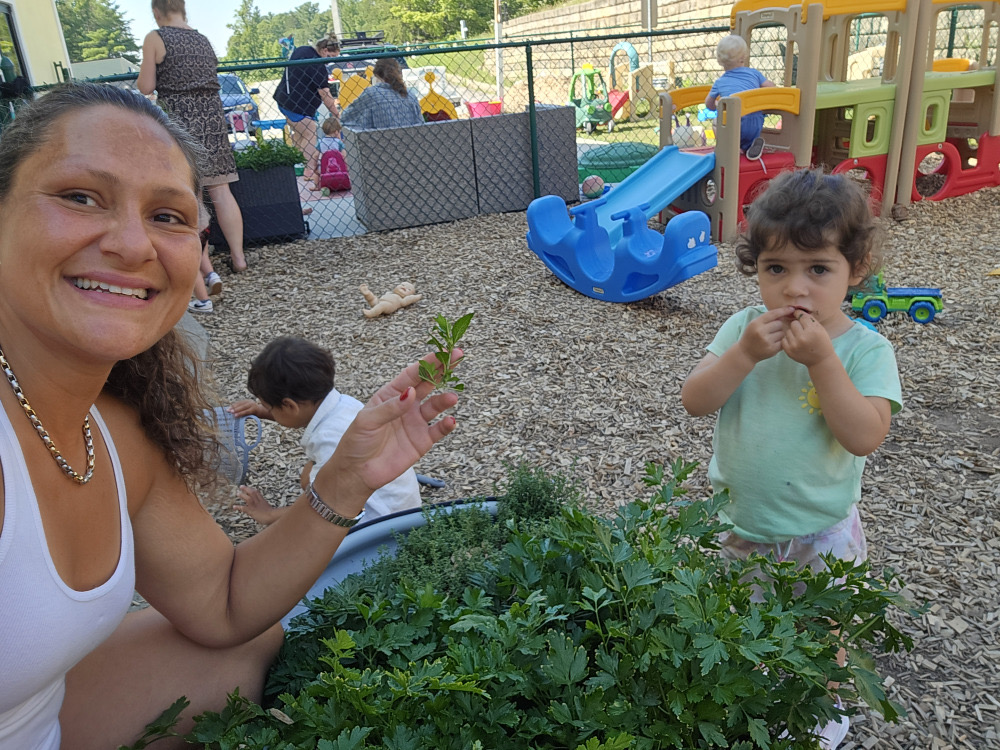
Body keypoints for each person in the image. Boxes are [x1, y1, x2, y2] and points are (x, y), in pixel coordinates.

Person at [0, 82, 460, 749]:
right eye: (80, 197)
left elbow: (221, 603)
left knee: (242, 647)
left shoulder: (114, 433)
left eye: (168, 216)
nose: (133, 244)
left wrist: (346, 481)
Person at [680, 169, 901, 750]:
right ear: (756, 268)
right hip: (739, 521)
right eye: (776, 269)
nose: (795, 290)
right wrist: (745, 353)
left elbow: (864, 436)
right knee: (739, 624)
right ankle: (749, 699)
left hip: (819, 529)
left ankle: (817, 709)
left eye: (818, 270)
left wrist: (824, 364)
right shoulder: (740, 330)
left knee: (820, 631)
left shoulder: (865, 351)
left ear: (856, 270)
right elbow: (696, 400)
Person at [230, 337, 422, 526]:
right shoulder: (345, 405)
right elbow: (299, 416)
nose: (268, 411)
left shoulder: (328, 441)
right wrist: (264, 412)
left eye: (270, 407)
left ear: (289, 405)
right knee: (309, 474)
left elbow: (320, 509)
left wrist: (269, 514)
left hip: (380, 527)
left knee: (312, 515)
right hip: (405, 507)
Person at [137, 0, 248, 293]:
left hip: (181, 121)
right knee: (222, 190)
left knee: (191, 194)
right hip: (212, 119)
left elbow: (145, 86)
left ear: (156, 11)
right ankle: (238, 259)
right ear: (183, 9)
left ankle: (203, 265)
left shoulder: (156, 38)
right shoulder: (202, 40)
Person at [273, 35, 341, 186]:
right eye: (330, 57)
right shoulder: (318, 66)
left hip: (284, 98)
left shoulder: (302, 51)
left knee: (300, 134)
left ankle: (297, 165)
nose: (329, 61)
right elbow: (325, 94)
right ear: (324, 50)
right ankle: (310, 169)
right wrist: (336, 114)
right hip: (296, 105)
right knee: (310, 132)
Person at [705, 34, 775, 156]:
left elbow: (708, 104)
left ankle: (730, 146)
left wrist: (717, 105)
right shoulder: (754, 74)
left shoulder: (720, 82)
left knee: (716, 122)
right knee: (754, 118)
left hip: (734, 126)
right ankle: (751, 145)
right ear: (743, 58)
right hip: (755, 123)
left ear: (720, 61)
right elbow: (771, 88)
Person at [340, 57, 424, 132]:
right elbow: (420, 123)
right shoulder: (410, 95)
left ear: (376, 75)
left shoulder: (371, 94)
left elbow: (345, 118)